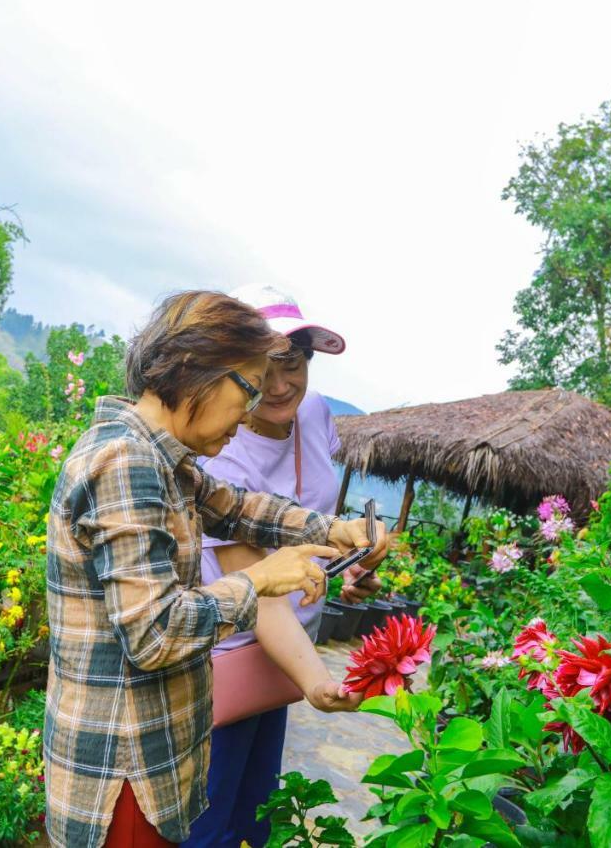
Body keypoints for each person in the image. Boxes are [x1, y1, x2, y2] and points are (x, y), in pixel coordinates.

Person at [43, 290, 388, 848]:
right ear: (196, 370)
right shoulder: (126, 463)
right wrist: (256, 581)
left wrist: (331, 530)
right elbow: (153, 633)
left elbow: (240, 507)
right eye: (249, 387)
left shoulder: (165, 458)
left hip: (152, 749)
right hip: (123, 762)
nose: (254, 407)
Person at [182, 285, 386, 848]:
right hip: (229, 653)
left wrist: (349, 562)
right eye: (262, 370)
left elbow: (312, 517)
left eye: (291, 365)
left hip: (282, 657)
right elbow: (259, 595)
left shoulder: (315, 413)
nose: (278, 388)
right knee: (208, 825)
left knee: (257, 816)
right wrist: (319, 683)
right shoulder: (219, 448)